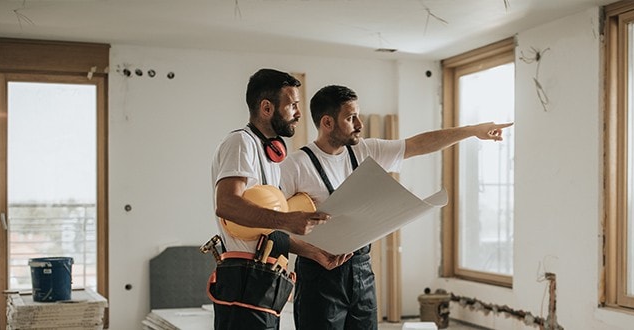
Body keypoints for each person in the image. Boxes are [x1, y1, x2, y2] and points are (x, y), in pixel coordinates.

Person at [279, 84, 512, 329]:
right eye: (350, 118)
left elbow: (417, 145)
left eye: (358, 115)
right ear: (327, 123)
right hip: (318, 275)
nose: (359, 124)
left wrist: (473, 131)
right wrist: (309, 252)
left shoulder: (365, 151)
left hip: (361, 271)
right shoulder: (295, 166)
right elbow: (271, 226)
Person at [208, 68, 331, 330]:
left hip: (265, 280)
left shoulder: (270, 155)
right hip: (244, 278)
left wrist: (314, 253)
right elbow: (227, 204)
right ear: (266, 107)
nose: (298, 113)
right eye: (292, 105)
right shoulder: (241, 143)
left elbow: (268, 229)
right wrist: (288, 219)